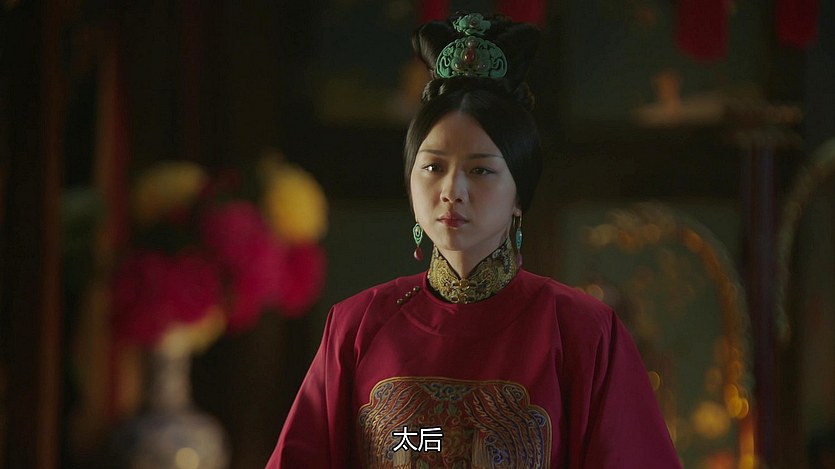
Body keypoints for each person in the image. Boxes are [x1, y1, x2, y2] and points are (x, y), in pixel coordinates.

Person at [267, 12, 681, 468]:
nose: (452, 190)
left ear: (519, 194)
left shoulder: (582, 333)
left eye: (481, 170)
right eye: (433, 166)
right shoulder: (357, 327)